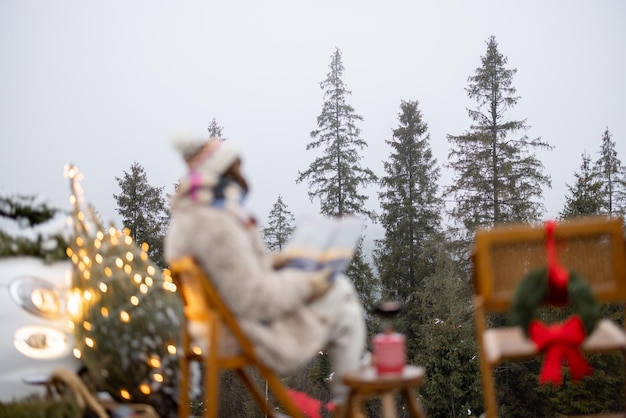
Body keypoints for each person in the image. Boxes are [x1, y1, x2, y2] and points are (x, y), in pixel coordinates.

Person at [164, 135, 367, 415]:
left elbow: (231, 278)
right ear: (223, 172)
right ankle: (348, 405)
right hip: (239, 331)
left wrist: (279, 261)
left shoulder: (190, 218)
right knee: (344, 302)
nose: (242, 175)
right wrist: (308, 284)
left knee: (339, 293)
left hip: (214, 326)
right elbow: (254, 297)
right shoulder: (217, 225)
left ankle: (347, 401)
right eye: (236, 167)